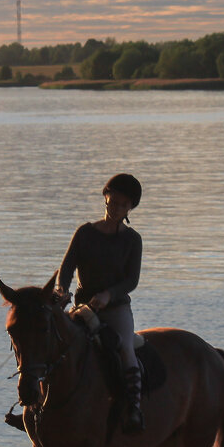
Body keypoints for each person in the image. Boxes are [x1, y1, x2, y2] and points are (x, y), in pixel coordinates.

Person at [54, 173, 145, 433]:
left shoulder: (132, 240)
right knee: (55, 343)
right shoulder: (85, 233)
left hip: (116, 309)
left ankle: (134, 407)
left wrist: (108, 295)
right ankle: (41, 402)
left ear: (130, 208)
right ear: (105, 197)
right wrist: (62, 290)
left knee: (126, 349)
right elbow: (68, 267)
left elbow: (131, 280)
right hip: (84, 306)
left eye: (122, 205)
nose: (115, 208)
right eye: (112, 201)